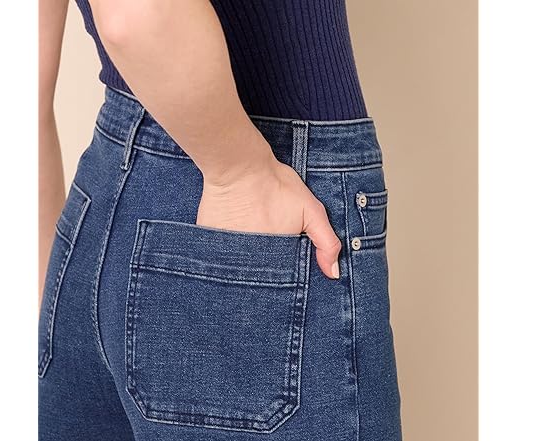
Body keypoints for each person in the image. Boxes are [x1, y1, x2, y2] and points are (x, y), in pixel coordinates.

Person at [38, 1, 402, 440]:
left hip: (96, 220)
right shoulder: (242, 176)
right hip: (257, 193)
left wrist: (47, 300)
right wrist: (239, 173)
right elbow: (136, 13)